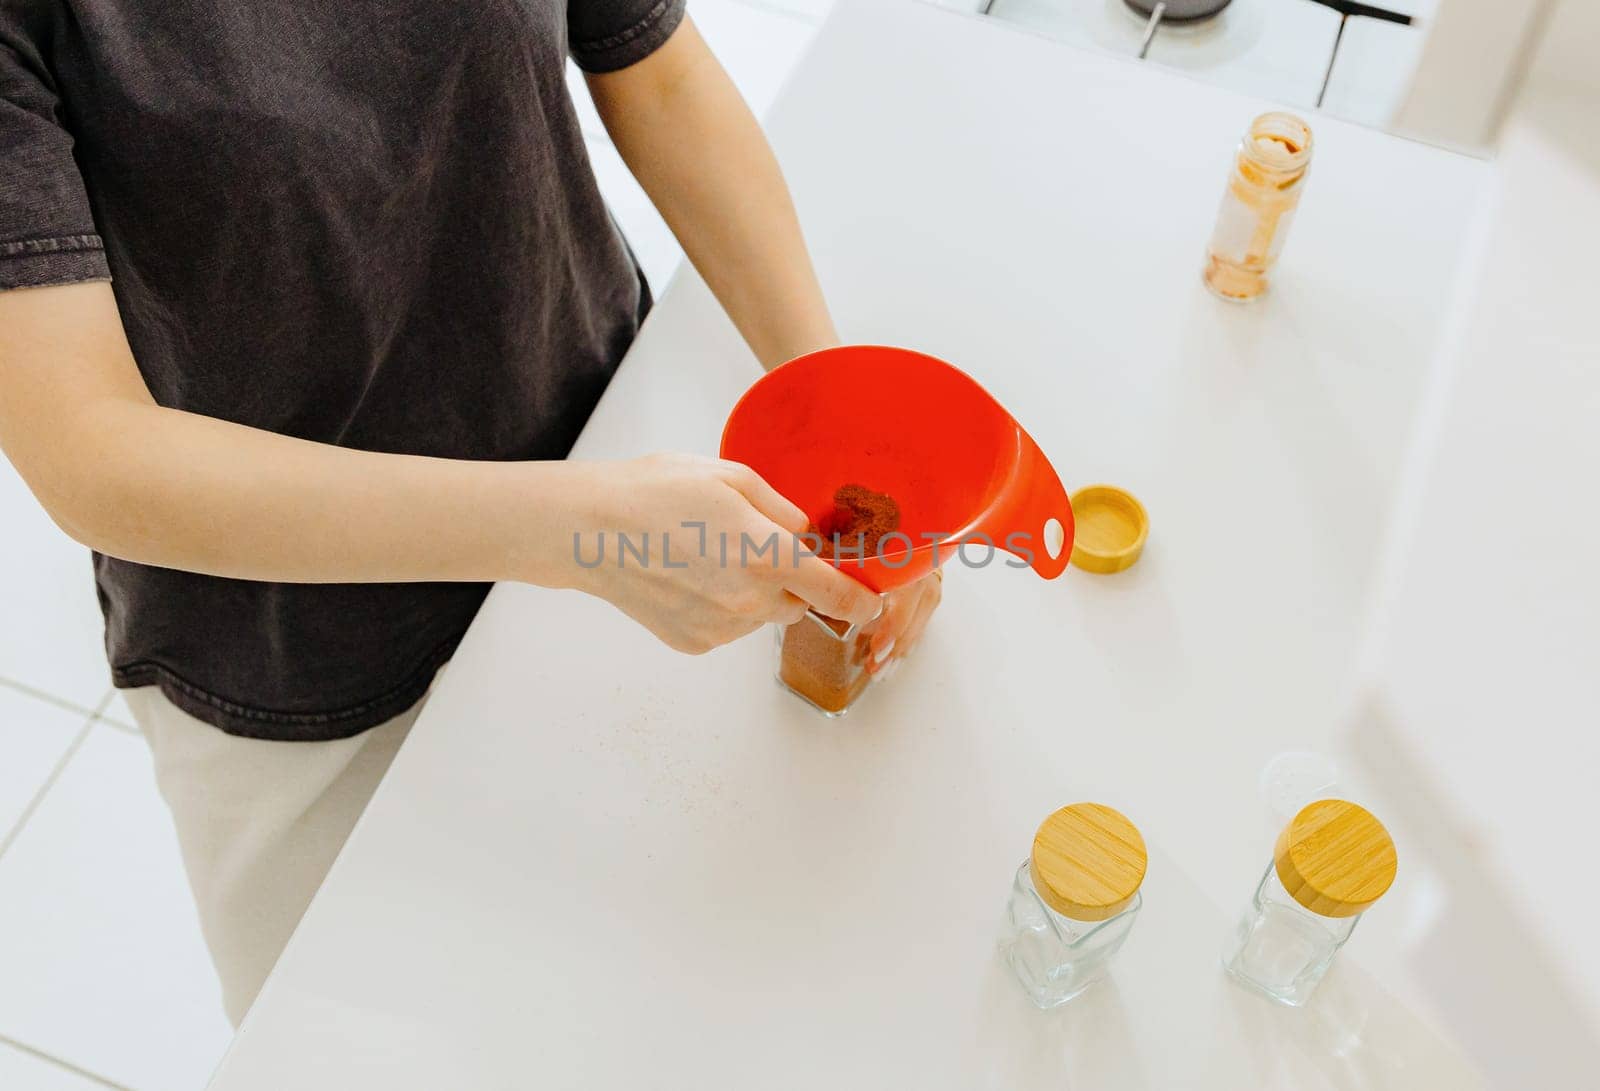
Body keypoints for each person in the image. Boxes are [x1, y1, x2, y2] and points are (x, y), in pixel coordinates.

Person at [0, 1, 941, 1025]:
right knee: (372, 1037)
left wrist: (837, 422)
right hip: (308, 656)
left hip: (612, 474)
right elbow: (89, 451)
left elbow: (656, 72)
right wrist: (577, 531)